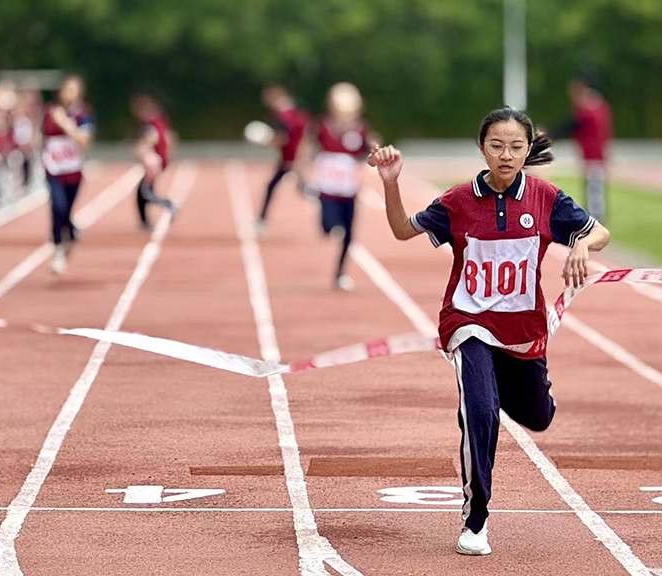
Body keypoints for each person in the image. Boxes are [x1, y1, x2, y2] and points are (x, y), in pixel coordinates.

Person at [369, 107, 611, 555]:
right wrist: (390, 182)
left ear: (527, 150)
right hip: (468, 322)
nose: (506, 154)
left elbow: (601, 233)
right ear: (482, 148)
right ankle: (475, 519)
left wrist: (579, 244)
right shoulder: (459, 201)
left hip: (522, 331)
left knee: (538, 418)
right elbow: (403, 231)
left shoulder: (545, 198)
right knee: (480, 411)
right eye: (497, 146)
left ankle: (502, 391)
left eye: (517, 146)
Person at [302, 82, 372, 291]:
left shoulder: (361, 129)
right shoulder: (322, 125)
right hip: (327, 188)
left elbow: (368, 153)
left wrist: (378, 155)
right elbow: (307, 147)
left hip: (348, 190)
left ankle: (340, 273)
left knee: (349, 234)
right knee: (329, 225)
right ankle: (329, 225)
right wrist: (301, 173)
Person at [42, 74, 95, 275]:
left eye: (74, 89)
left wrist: (65, 123)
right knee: (58, 206)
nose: (70, 94)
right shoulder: (49, 112)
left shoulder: (84, 114)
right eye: (67, 89)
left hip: (73, 171)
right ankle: (57, 249)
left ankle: (70, 232)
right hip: (53, 169)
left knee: (67, 211)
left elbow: (84, 141)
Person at [256, 84, 309, 231]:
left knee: (272, 186)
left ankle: (261, 220)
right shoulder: (293, 111)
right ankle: (261, 219)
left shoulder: (281, 115)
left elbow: (283, 137)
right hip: (294, 155)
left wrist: (266, 141)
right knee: (302, 188)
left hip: (290, 157)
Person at [561, 77, 612, 223]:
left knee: (594, 188)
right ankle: (594, 216)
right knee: (593, 187)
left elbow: (574, 125)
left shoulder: (588, 106)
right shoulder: (596, 104)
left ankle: (596, 219)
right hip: (593, 152)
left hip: (594, 153)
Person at [131, 93, 176, 230]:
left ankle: (169, 205)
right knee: (143, 192)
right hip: (158, 161)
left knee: (145, 193)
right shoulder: (160, 121)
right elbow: (171, 137)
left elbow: (153, 137)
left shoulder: (151, 123)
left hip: (153, 162)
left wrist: (141, 147)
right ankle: (144, 222)